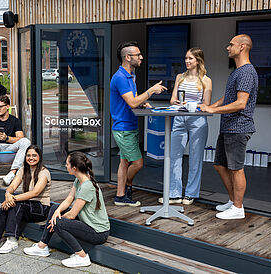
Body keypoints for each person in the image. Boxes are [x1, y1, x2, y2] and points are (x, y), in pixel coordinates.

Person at [200, 34, 258, 220]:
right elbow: (229, 98)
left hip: (238, 127)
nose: (227, 47)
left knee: (236, 168)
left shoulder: (247, 72)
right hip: (228, 127)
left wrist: (213, 111)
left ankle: (238, 208)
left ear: (242, 47)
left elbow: (241, 103)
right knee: (220, 165)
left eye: (231, 44)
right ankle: (233, 201)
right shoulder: (237, 71)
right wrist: (210, 107)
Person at [23, 152, 110, 268]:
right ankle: (42, 246)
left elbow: (72, 215)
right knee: (54, 208)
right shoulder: (79, 180)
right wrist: (57, 212)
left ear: (74, 168)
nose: (65, 166)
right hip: (88, 224)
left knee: (58, 223)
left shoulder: (87, 186)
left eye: (67, 164)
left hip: (98, 232)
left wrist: (55, 220)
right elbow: (69, 199)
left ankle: (82, 257)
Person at [0, 145, 51, 258]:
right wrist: (7, 195)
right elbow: (12, 186)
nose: (31, 158)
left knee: (15, 205)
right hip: (26, 206)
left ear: (39, 157)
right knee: (5, 208)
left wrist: (13, 198)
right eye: (28, 155)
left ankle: (12, 240)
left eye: (34, 155)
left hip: (41, 208)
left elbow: (35, 193)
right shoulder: (23, 170)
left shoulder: (44, 172)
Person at [110, 41, 167, 206]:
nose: (141, 57)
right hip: (123, 128)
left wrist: (142, 102)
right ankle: (126, 188)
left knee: (124, 162)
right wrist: (150, 91)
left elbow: (132, 101)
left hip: (129, 126)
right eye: (138, 55)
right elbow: (132, 103)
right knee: (138, 163)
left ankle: (121, 196)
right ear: (128, 58)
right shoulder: (120, 77)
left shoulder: (131, 75)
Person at [161, 48, 212, 205]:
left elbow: (206, 104)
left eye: (190, 58)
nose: (187, 61)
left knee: (195, 158)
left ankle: (190, 194)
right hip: (179, 118)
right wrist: (175, 102)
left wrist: (191, 104)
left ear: (198, 60)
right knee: (174, 157)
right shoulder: (180, 77)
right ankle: (174, 193)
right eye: (186, 58)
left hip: (198, 120)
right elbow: (172, 100)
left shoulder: (206, 80)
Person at [0, 95, 31, 187]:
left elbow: (20, 138)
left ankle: (12, 173)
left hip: (9, 148)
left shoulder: (15, 121)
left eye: (0, 107)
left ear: (7, 106)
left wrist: (6, 138)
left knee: (26, 141)